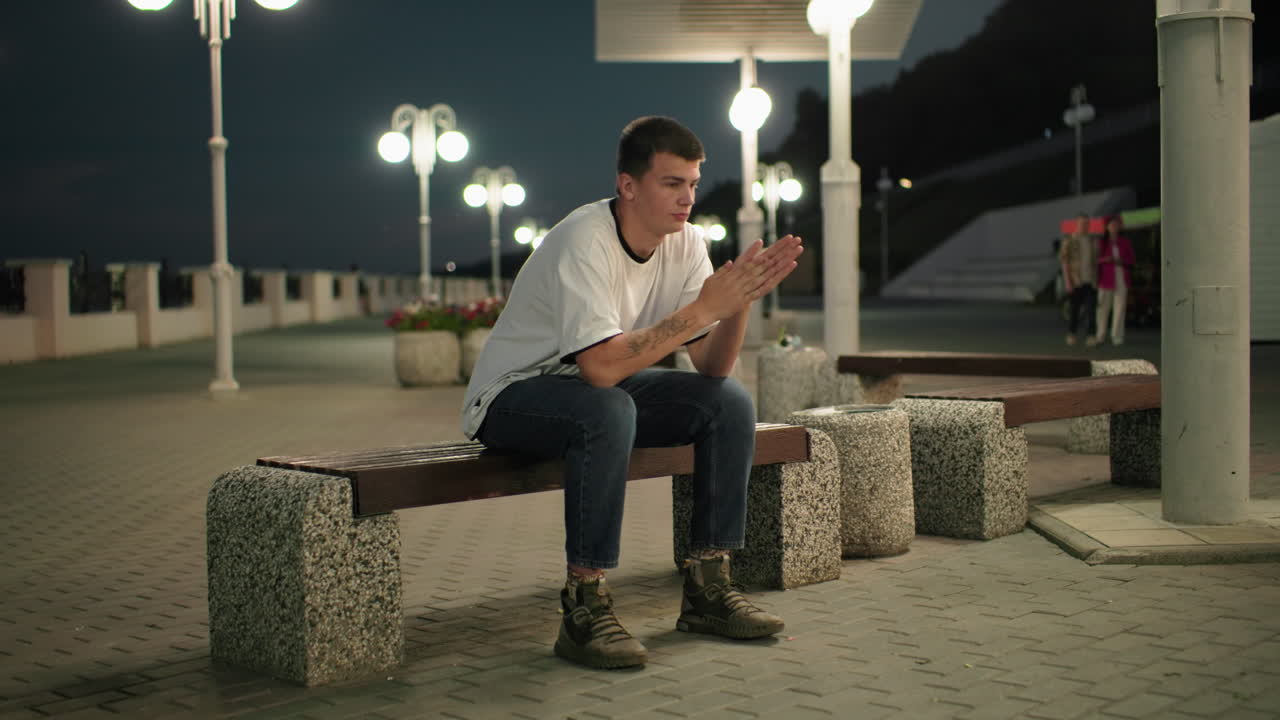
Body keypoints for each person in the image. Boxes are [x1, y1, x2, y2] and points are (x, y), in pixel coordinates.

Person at [460, 116, 803, 670]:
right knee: (609, 407)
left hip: (596, 393)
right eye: (672, 184)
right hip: (511, 397)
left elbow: (712, 364)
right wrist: (704, 307)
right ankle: (584, 605)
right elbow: (598, 368)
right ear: (628, 186)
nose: (687, 198)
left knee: (728, 402)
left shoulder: (687, 242)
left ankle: (708, 588)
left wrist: (740, 299)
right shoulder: (583, 238)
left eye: (692, 183)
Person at [1094, 214, 1136, 346]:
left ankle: (1117, 335)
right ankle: (1100, 334)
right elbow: (1094, 260)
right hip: (1105, 278)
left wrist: (1121, 261)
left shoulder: (1124, 242)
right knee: (1102, 308)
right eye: (1111, 225)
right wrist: (1105, 260)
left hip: (1121, 277)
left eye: (1116, 225)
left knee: (1120, 308)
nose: (1114, 227)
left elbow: (1132, 260)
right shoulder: (1101, 242)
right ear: (1107, 227)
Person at [1058, 213, 1097, 346]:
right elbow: (1064, 261)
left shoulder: (1092, 240)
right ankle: (1071, 333)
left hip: (1090, 281)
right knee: (1075, 310)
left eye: (1087, 224)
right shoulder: (1069, 240)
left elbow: (1095, 261)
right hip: (1075, 281)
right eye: (1082, 223)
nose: (1084, 226)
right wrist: (1068, 281)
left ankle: (1091, 335)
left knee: (1091, 309)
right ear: (1077, 224)